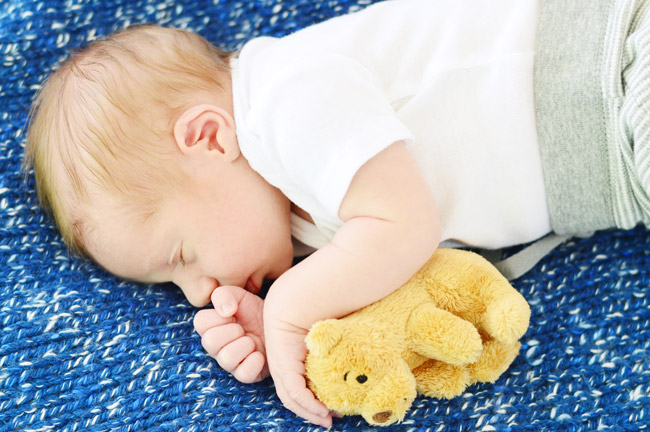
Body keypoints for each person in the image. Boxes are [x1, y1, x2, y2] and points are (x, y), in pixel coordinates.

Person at [23, 0, 650, 427]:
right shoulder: (286, 217)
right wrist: (280, 329)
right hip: (613, 179)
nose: (195, 293)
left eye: (181, 258)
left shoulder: (287, 98)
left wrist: (295, 306)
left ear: (210, 139)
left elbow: (404, 225)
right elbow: (399, 277)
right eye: (171, 285)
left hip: (611, 69)